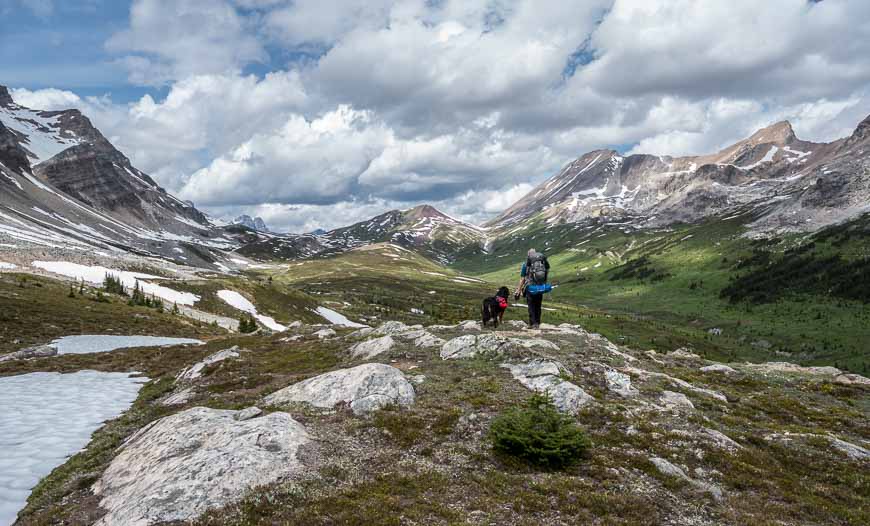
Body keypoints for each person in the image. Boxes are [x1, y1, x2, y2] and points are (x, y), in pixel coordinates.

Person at [517, 248, 550, 329]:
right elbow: (547, 269)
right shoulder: (542, 262)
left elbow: (522, 278)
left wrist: (518, 290)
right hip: (540, 286)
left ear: (529, 255)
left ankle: (532, 323)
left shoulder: (525, 264)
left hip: (530, 287)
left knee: (531, 305)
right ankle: (538, 323)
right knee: (538, 305)